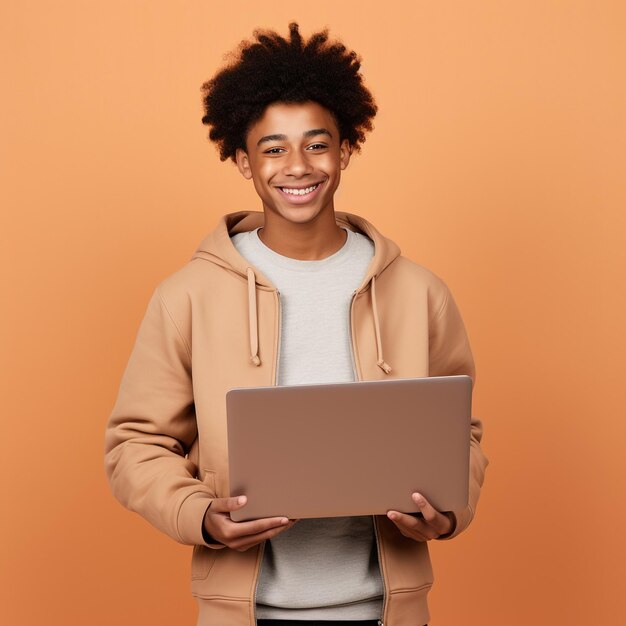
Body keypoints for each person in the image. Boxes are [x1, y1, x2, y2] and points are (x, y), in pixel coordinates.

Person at [104, 22, 488, 626]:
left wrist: (445, 512)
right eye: (273, 148)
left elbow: (459, 432)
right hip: (245, 612)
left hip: (388, 611)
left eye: (316, 143)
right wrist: (200, 514)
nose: (297, 167)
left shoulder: (419, 293)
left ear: (346, 150)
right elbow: (135, 445)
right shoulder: (187, 297)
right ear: (241, 159)